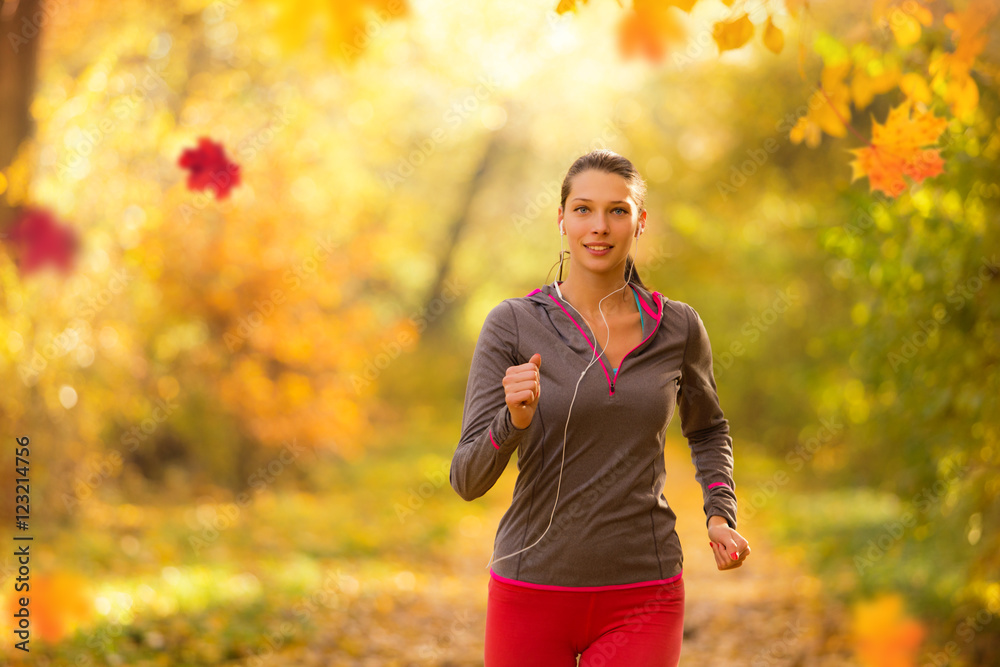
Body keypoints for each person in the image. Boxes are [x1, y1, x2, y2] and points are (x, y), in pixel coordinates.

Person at [450, 149, 750, 667]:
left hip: (645, 588)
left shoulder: (678, 327)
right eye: (584, 209)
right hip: (532, 586)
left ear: (640, 221)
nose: (600, 226)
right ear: (561, 219)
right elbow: (467, 479)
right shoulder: (514, 324)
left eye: (618, 210)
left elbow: (708, 430)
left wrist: (720, 514)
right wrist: (513, 421)